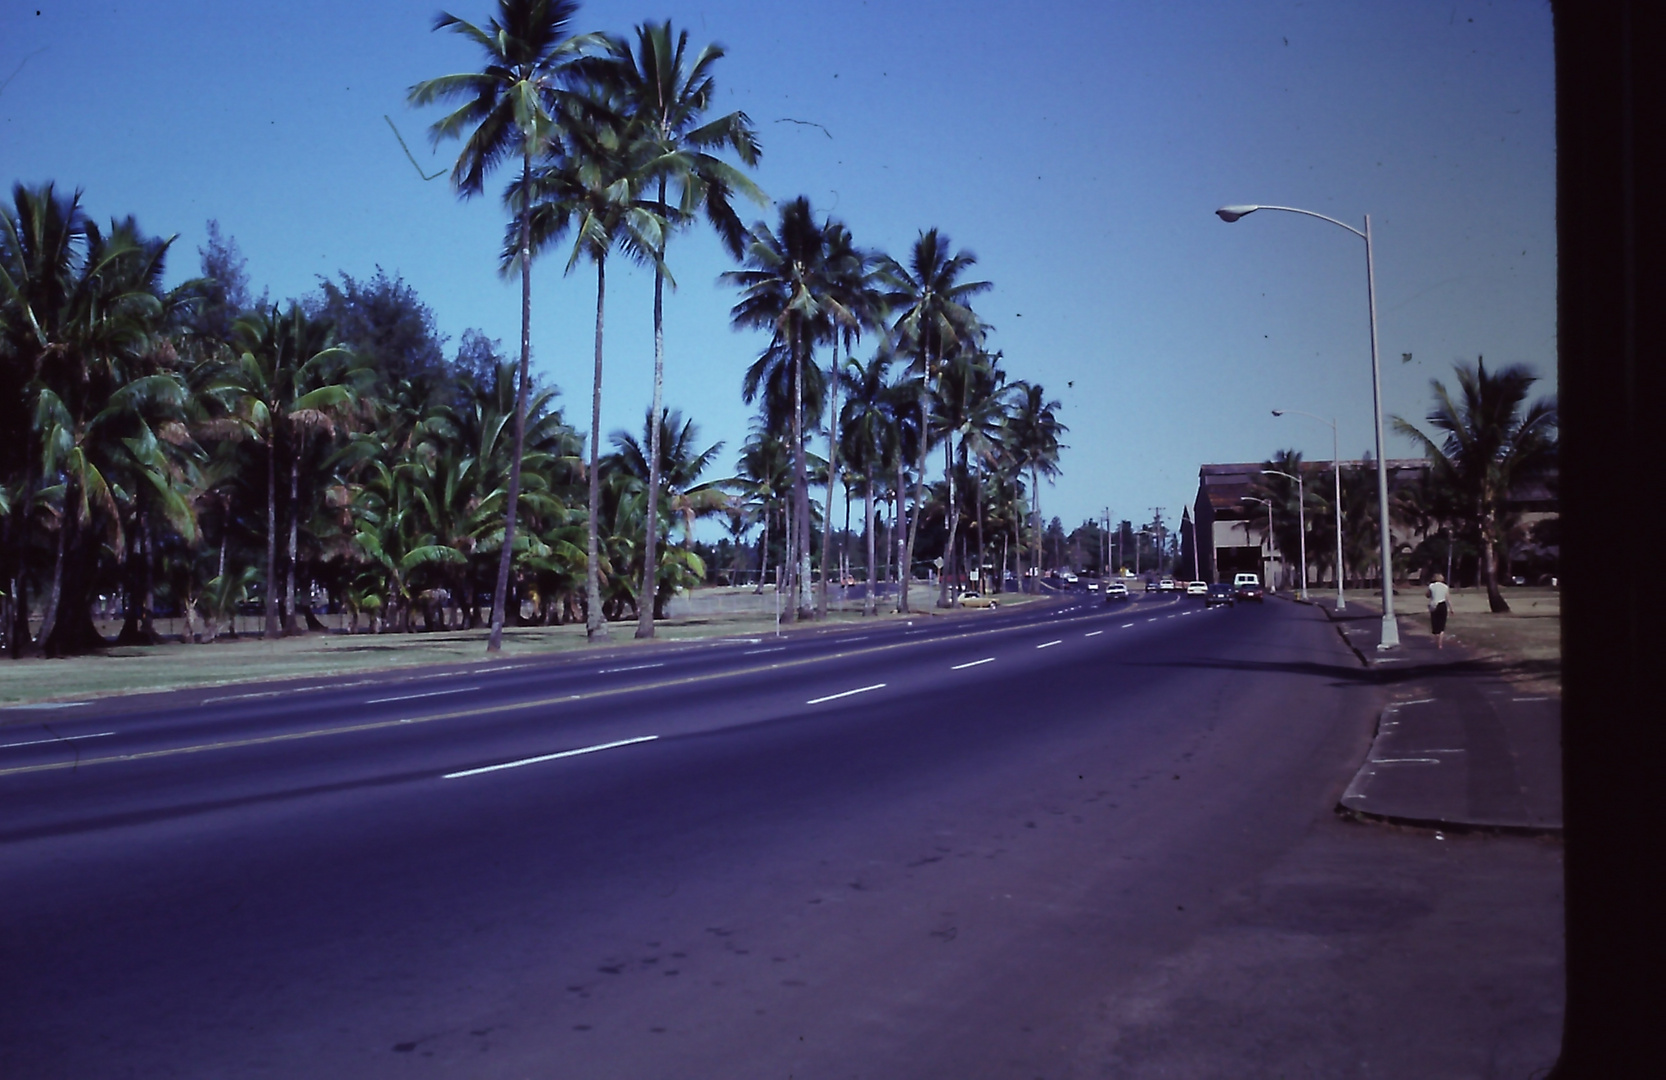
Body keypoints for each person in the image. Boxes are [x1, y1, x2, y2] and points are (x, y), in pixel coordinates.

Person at [1427, 572, 1451, 648]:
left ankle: (1436, 639)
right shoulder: (1445, 587)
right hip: (1442, 605)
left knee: (1435, 623)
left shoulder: (1431, 586)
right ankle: (1440, 643)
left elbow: (1427, 595)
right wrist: (1451, 608)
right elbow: (1448, 598)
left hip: (1434, 605)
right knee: (1442, 624)